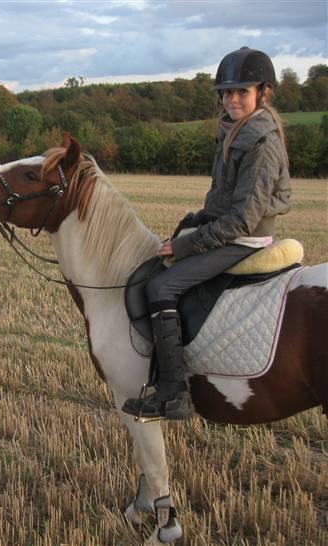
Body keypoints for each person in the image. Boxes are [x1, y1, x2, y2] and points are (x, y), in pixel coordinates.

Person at [122, 47, 291, 420]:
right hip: (230, 229)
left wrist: (186, 246)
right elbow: (223, 201)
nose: (232, 99)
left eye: (241, 92)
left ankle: (173, 393)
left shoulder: (260, 142)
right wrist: (194, 220)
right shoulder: (236, 131)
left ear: (262, 93)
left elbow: (242, 220)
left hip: (243, 240)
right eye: (227, 93)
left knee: (161, 288)